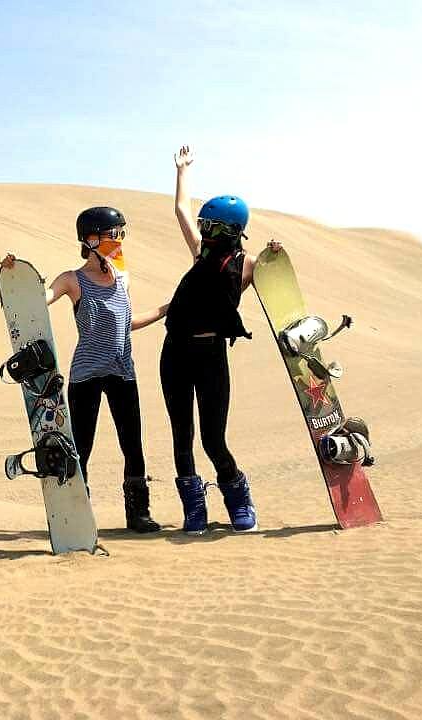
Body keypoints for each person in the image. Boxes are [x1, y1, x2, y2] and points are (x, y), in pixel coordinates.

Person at [1, 207, 164, 532]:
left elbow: (126, 323)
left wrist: (166, 309)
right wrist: (15, 275)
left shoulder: (122, 278)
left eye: (121, 234)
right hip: (86, 375)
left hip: (122, 372)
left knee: (132, 445)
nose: (119, 241)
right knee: (81, 448)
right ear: (90, 239)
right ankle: (78, 512)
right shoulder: (72, 280)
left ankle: (138, 513)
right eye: (113, 235)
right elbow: (37, 302)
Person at [159, 145, 281, 533]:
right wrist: (182, 170)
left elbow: (279, 281)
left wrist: (275, 256)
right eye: (204, 225)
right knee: (182, 437)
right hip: (175, 354)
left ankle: (237, 494)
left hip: (211, 356)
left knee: (213, 439)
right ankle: (194, 507)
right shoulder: (200, 253)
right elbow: (180, 210)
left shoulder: (248, 265)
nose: (205, 232)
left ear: (229, 230)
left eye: (211, 227)